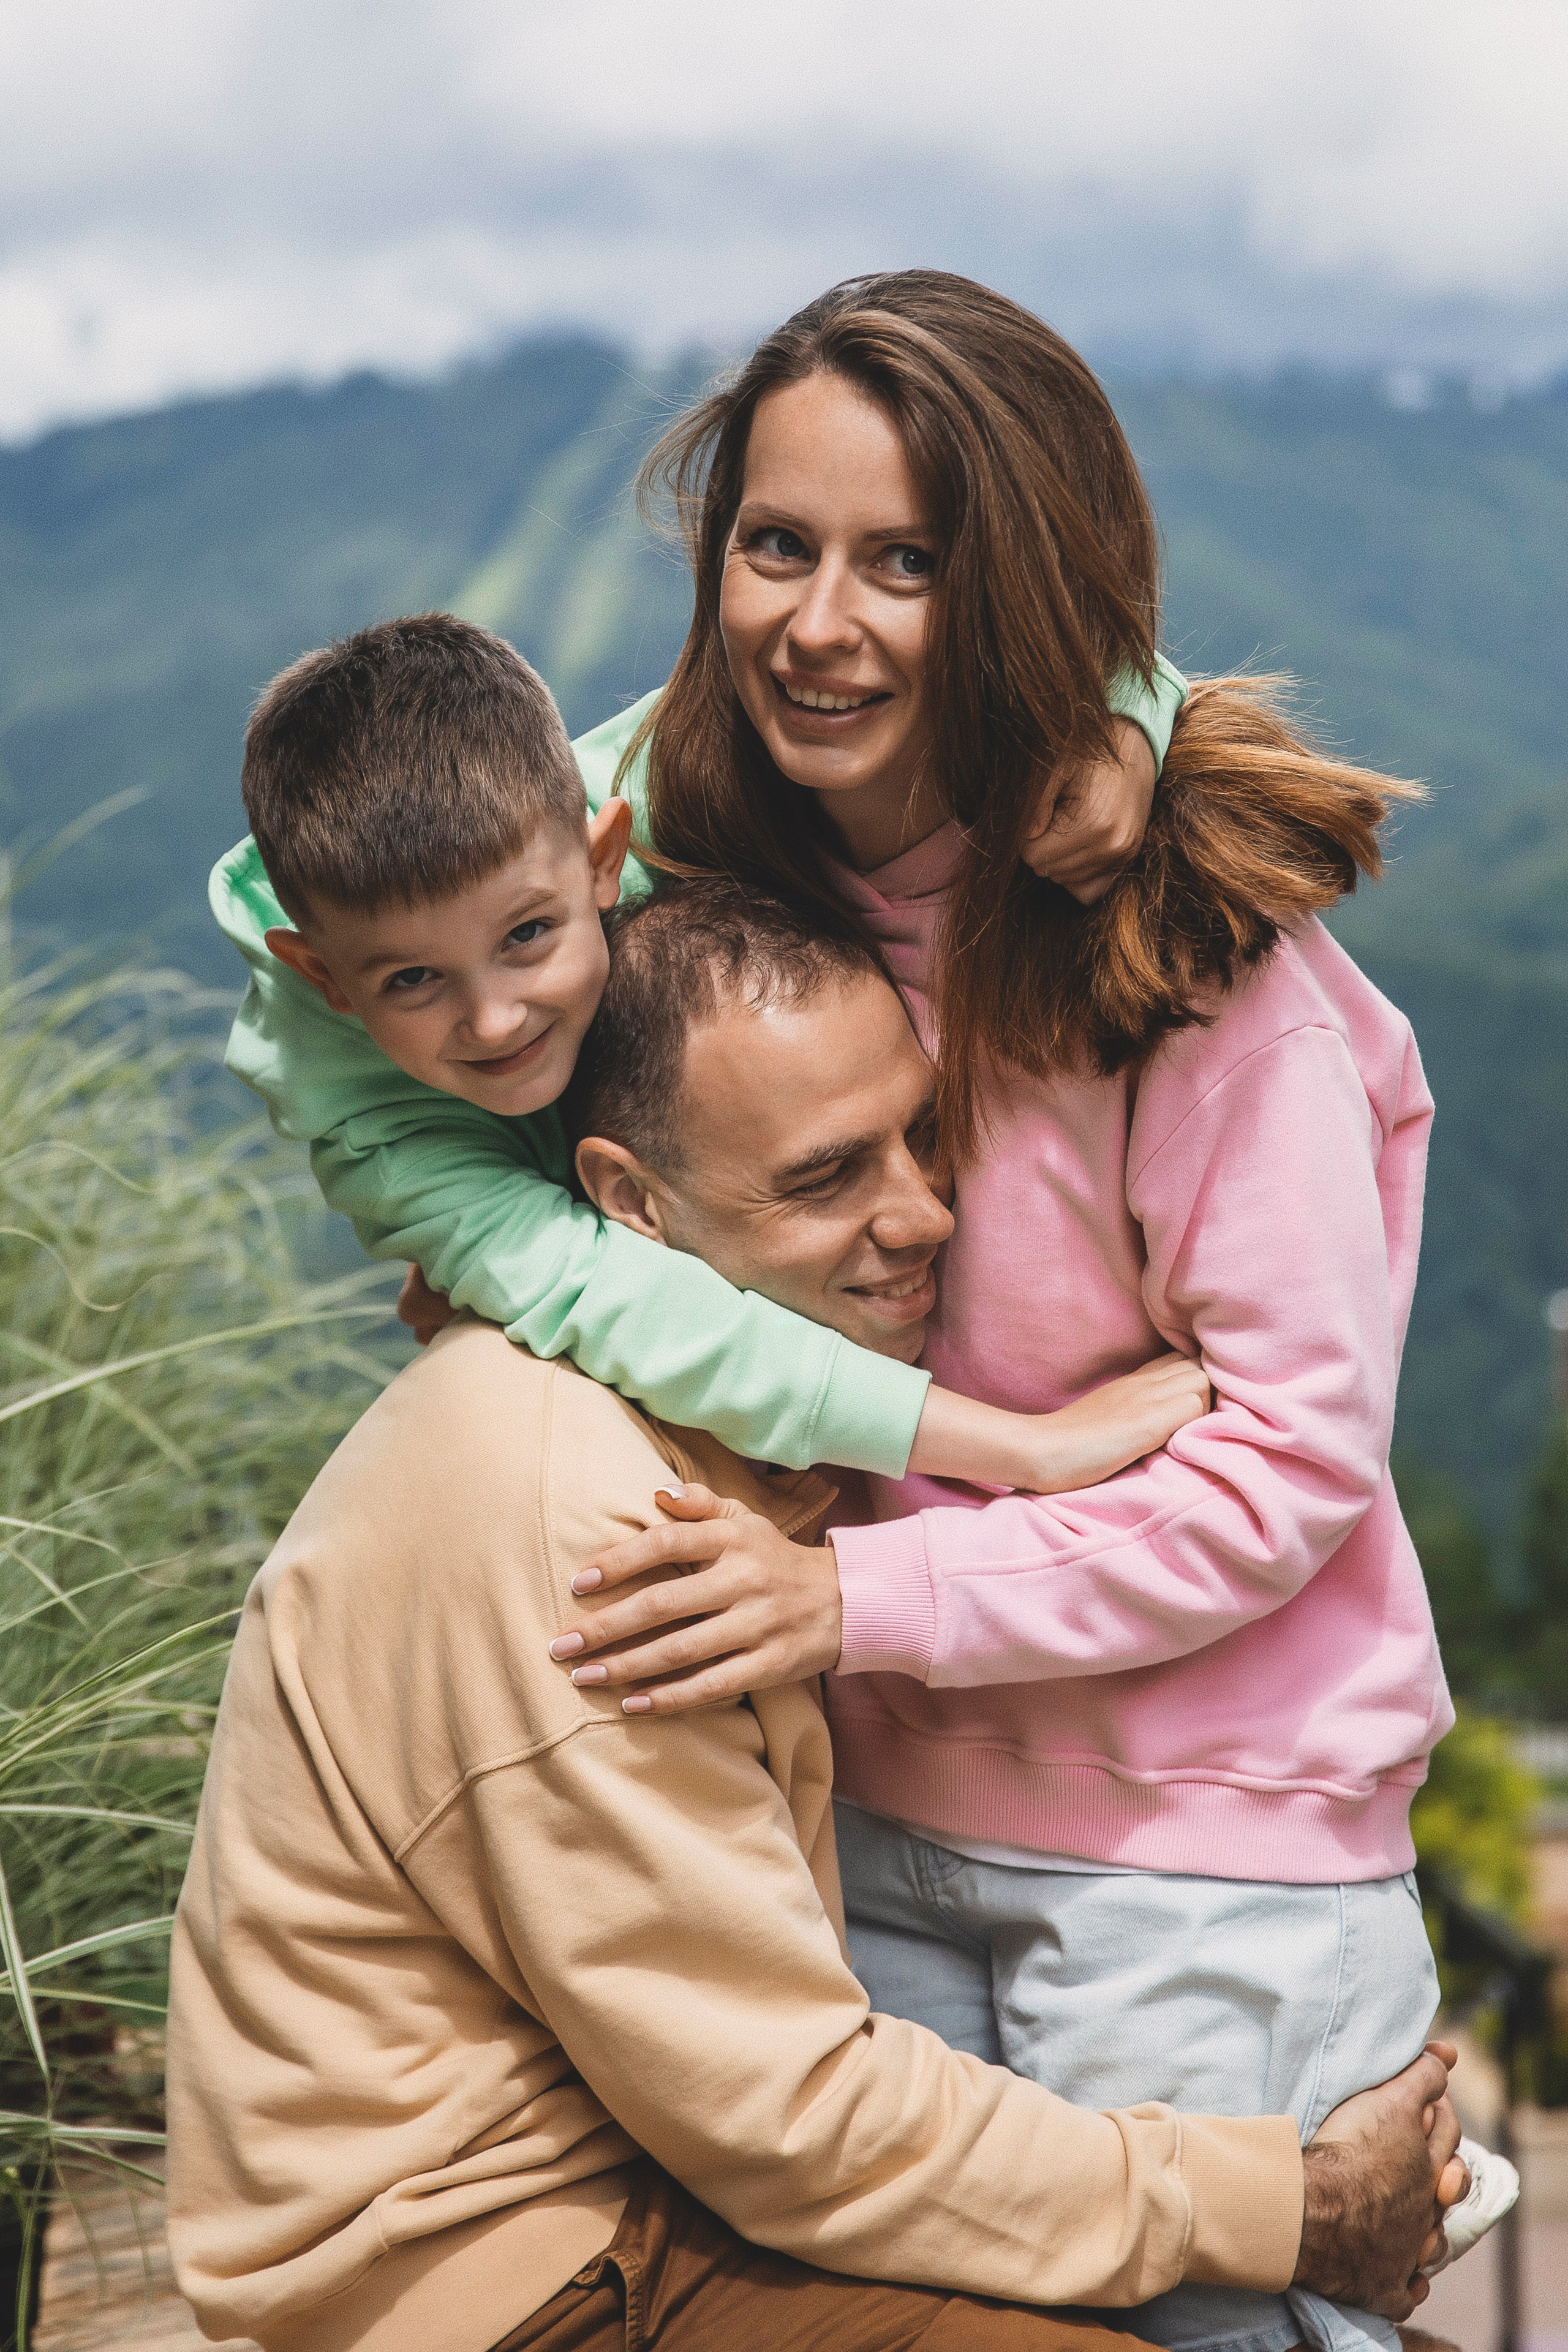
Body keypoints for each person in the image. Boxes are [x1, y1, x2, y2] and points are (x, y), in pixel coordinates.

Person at [529, 274, 1505, 2352]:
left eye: (910, 566)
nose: (821, 621)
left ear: (1028, 598)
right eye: (776, 546)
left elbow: (1286, 1474)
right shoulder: (703, 900)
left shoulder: (1206, 968)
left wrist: (856, 1608)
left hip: (1208, 1862)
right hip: (861, 1830)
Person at [166, 880, 1464, 2352]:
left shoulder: (716, 1447)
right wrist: (1281, 2204)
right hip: (519, 2273)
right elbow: (791, 2123)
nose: (920, 1215)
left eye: (923, 1134)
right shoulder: (594, 1530)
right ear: (630, 1202)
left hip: (642, 2194)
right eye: (823, 1176)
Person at [211, 597, 1175, 1491]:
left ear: (600, 859)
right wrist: (1025, 1449)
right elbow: (616, 1305)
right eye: (413, 980)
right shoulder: (367, 1121)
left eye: (526, 937)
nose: (496, 1019)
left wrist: (1127, 728)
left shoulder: (668, 774)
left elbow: (988, 655)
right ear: (324, 976)